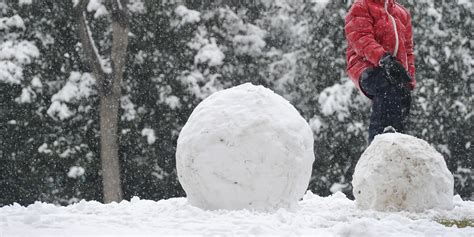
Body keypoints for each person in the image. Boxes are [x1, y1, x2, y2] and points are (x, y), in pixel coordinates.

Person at [345, 0, 416, 144]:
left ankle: (396, 140)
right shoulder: (362, 6)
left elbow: (408, 49)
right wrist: (383, 58)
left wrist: (409, 79)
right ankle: (380, 139)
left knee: (401, 97)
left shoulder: (401, 13)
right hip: (365, 65)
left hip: (395, 70)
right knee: (386, 86)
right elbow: (360, 38)